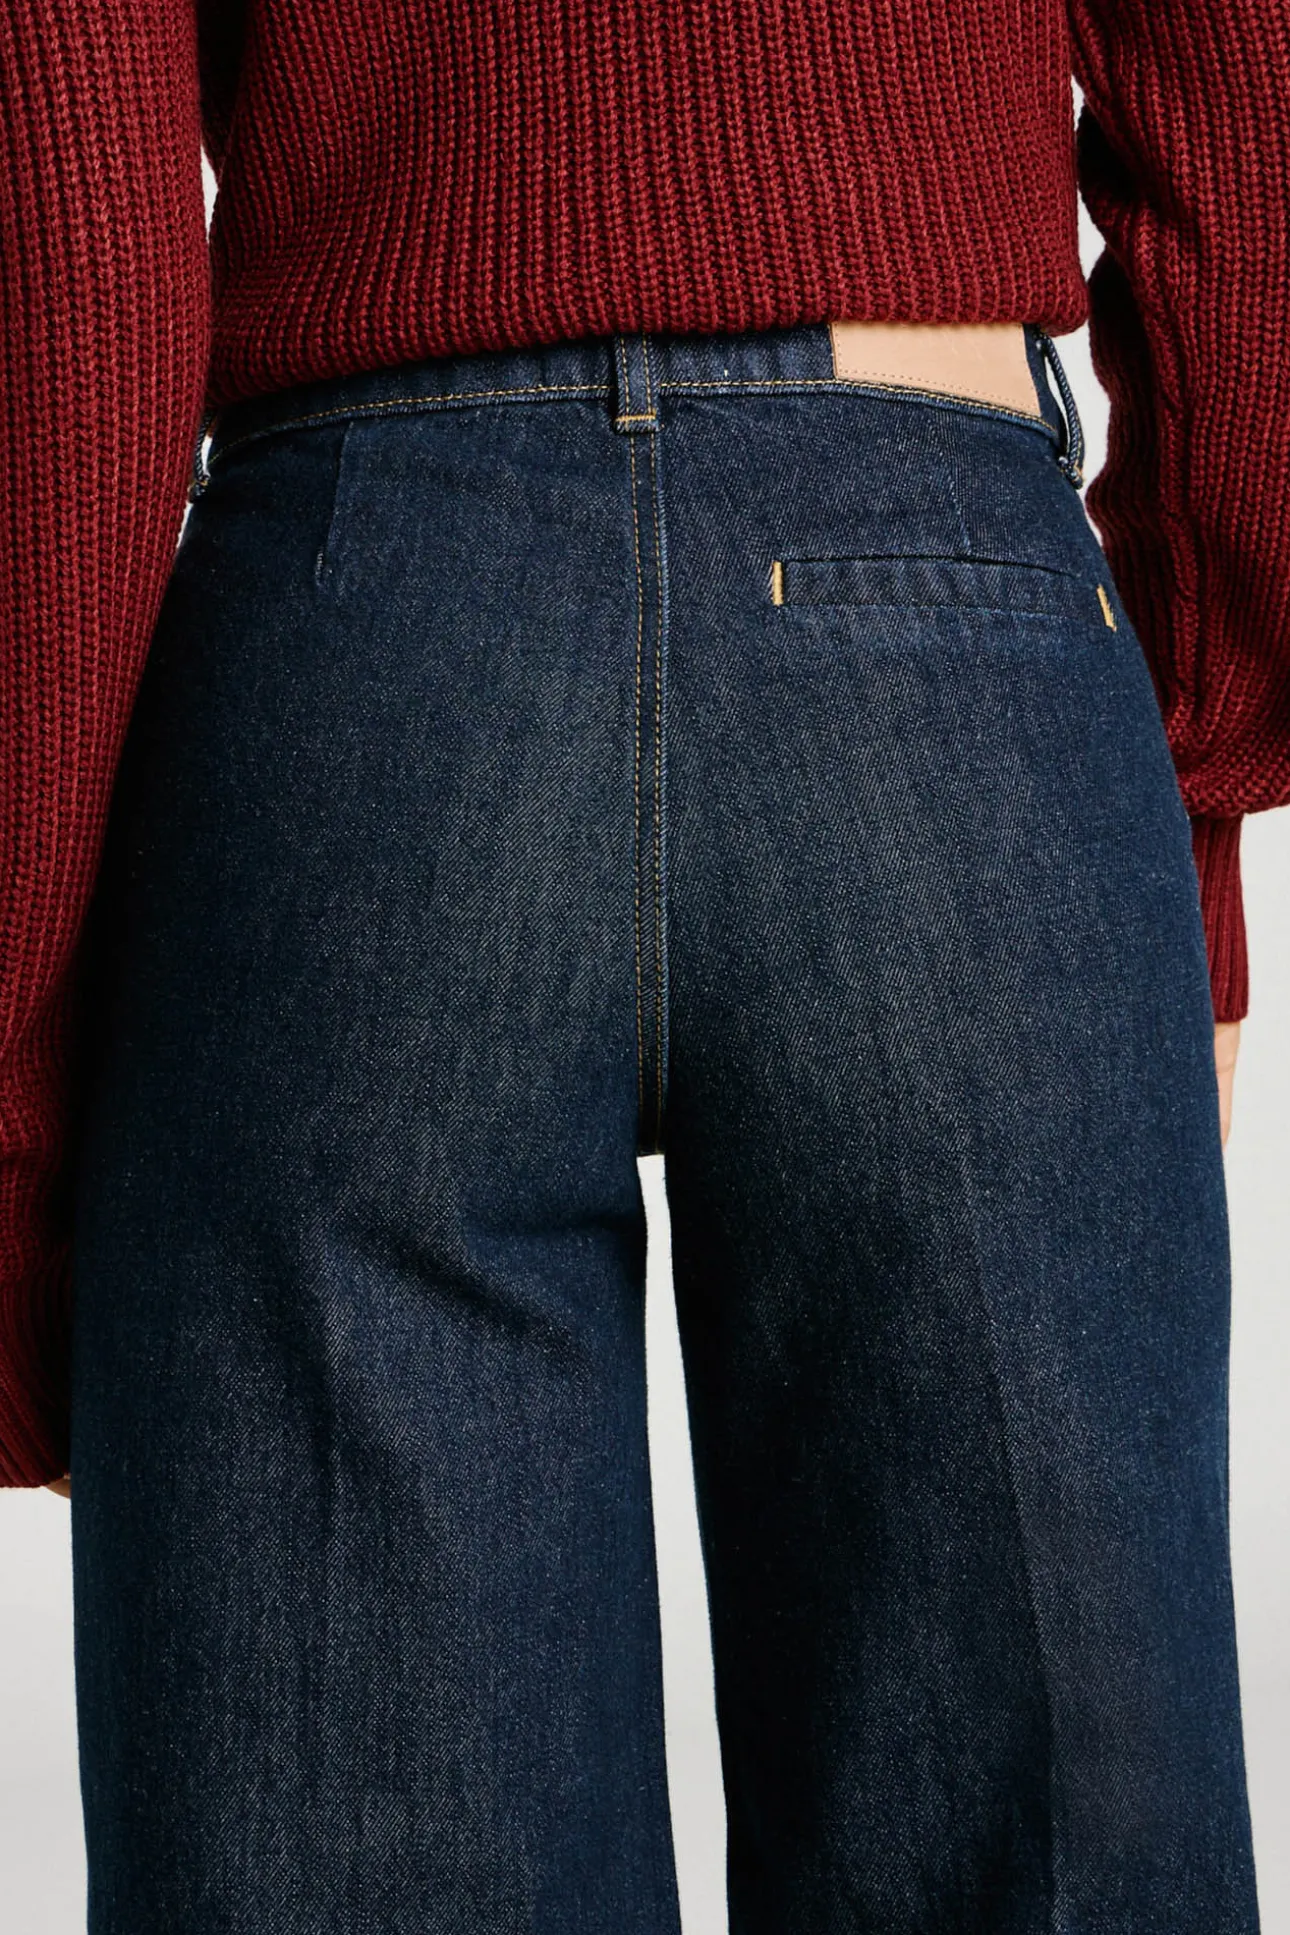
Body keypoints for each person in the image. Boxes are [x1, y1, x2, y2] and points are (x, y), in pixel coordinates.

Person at [1, 2, 1284, 1928]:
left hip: (367, 637)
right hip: (946, 614)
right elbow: (1250, 94)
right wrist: (1183, 770)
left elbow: (70, 228)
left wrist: (23, 1096)